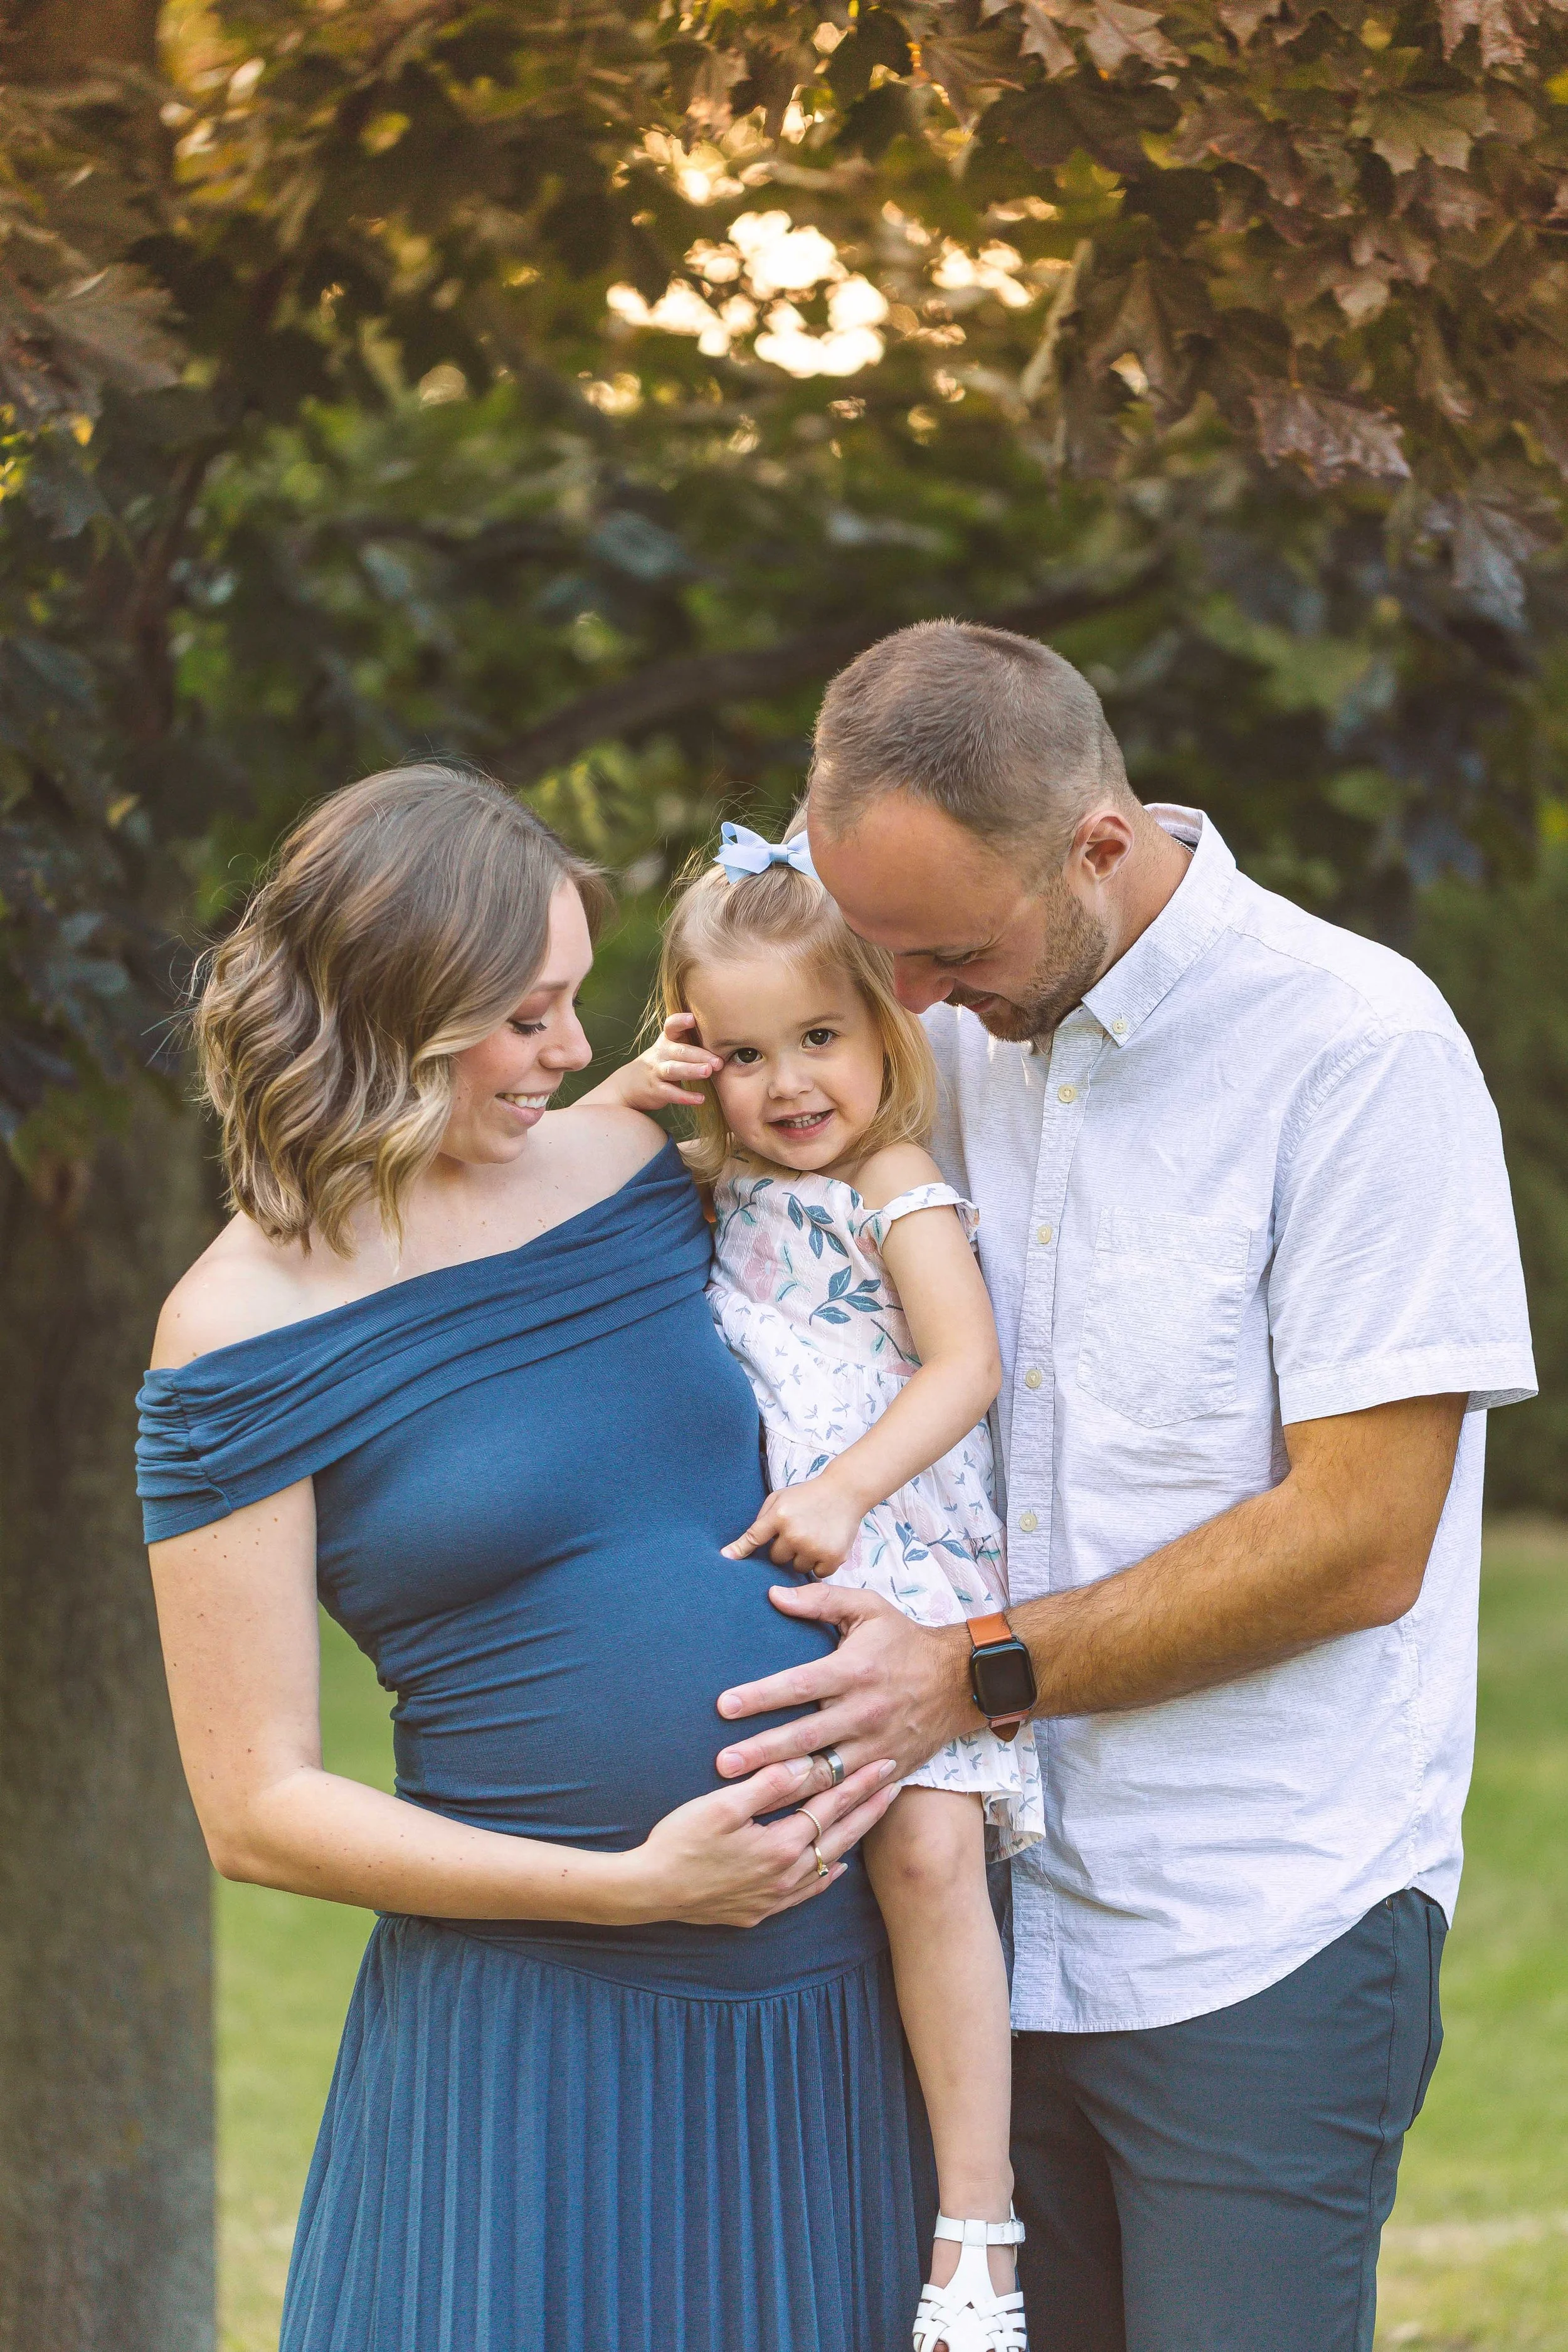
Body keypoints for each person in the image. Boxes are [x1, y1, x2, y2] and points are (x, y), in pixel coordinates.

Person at [704, 623, 1538, 2352]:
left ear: (1097, 845)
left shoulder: (1354, 1047)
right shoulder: (916, 1015)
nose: (907, 998)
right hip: (971, 1919)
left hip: (1255, 1924)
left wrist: (967, 1673)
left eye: (949, 951)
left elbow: (1359, 1539)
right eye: (877, 951)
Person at [134, 763, 924, 2352]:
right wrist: (634, 1890)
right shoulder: (231, 1336)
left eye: (573, 1002)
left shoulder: (629, 1166)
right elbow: (256, 1807)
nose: (575, 1050)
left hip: (827, 1981)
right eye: (526, 1015)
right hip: (532, 2030)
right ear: (391, 1011)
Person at [592, 820, 1044, 2352]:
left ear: (883, 1028)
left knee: (925, 1860)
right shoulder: (704, 1182)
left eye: (817, 1038)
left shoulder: (891, 1179)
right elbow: (554, 1183)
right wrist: (626, 1095)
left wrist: (847, 1489)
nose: (786, 1084)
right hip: (784, 1573)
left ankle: (975, 2221)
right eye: (738, 1053)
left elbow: (964, 1366)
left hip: (901, 1553)